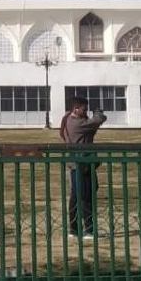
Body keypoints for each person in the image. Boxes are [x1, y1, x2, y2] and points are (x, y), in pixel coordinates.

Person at [60, 96, 106, 239]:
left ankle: (74, 229)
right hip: (83, 163)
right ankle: (89, 229)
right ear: (76, 109)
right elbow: (99, 119)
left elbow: (91, 126)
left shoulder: (68, 119)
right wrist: (98, 111)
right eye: (84, 109)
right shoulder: (78, 123)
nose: (86, 112)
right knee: (86, 196)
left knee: (76, 196)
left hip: (77, 163)